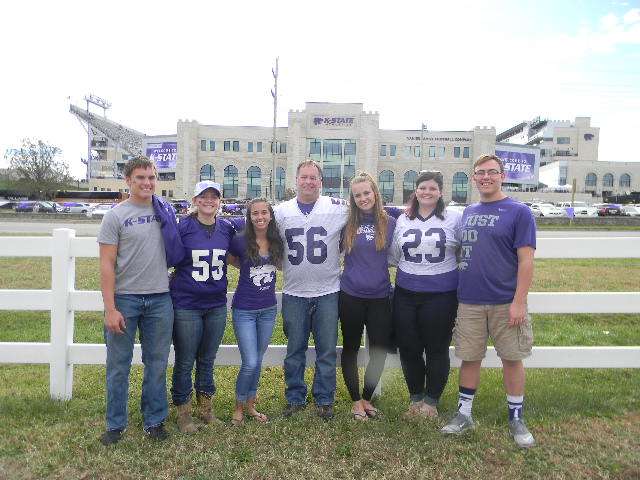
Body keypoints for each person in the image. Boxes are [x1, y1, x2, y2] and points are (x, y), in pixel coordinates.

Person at [441, 154, 537, 448]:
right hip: (469, 300)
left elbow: (526, 261)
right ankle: (464, 414)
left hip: (504, 301)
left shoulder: (519, 212)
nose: (486, 177)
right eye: (480, 173)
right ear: (473, 178)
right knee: (469, 357)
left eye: (492, 172)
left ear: (502, 176)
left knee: (511, 357)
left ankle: (516, 417)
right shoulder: (468, 211)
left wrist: (519, 301)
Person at [98, 156, 173, 445]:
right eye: (140, 178)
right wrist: (110, 308)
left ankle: (154, 420)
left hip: (160, 299)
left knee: (157, 363)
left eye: (151, 177)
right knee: (119, 365)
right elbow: (107, 263)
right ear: (128, 181)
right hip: (126, 300)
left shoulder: (165, 212)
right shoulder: (115, 216)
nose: (147, 183)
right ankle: (115, 424)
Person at [154, 180, 239, 433]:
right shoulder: (184, 227)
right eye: (204, 196)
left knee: (207, 359)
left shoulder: (226, 228)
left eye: (214, 197)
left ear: (219, 201)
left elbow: (238, 254)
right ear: (195, 200)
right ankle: (183, 413)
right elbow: (168, 254)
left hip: (215, 303)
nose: (209, 201)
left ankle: (206, 410)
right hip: (187, 304)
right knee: (185, 360)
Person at [274, 160, 348, 420]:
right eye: (303, 177)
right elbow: (260, 235)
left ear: (321, 181)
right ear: (296, 180)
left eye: (313, 178)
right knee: (295, 349)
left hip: (328, 290)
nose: (308, 182)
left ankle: (324, 399)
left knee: (327, 349)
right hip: (294, 292)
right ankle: (295, 397)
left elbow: (367, 214)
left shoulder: (337, 208)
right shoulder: (280, 211)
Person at [390, 170, 461, 419]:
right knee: (408, 347)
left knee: (436, 348)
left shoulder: (454, 218)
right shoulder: (403, 219)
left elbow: (462, 251)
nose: (427, 192)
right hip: (406, 292)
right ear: (415, 191)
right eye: (422, 188)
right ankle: (415, 398)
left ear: (440, 192)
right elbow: (395, 255)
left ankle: (431, 402)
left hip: (441, 294)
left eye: (432, 188)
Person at [339, 172, 396, 420]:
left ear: (375, 193)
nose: (363, 198)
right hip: (351, 295)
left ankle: (367, 398)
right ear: (352, 198)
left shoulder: (390, 222)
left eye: (366, 193)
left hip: (380, 297)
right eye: (358, 195)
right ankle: (354, 400)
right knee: (350, 347)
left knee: (379, 350)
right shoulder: (346, 223)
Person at [227, 198, 284, 425]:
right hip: (245, 310)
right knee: (250, 361)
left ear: (270, 215)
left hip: (268, 309)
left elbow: (279, 264)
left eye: (264, 213)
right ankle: (238, 406)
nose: (260, 217)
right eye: (255, 214)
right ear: (249, 217)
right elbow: (232, 259)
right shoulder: (240, 241)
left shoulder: (276, 241)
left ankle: (251, 404)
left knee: (258, 360)